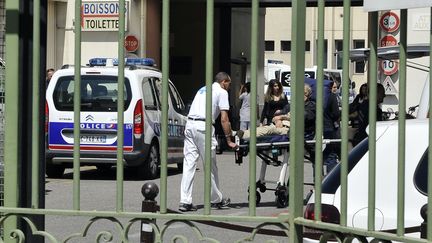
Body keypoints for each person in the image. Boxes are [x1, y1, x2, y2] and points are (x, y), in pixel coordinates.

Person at [179, 72, 236, 212]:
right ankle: (216, 199)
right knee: (210, 166)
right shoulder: (222, 92)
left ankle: (185, 201)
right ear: (224, 82)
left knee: (189, 164)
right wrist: (229, 139)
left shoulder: (203, 89)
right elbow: (224, 119)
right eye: (229, 83)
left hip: (190, 125)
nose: (229, 87)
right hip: (203, 127)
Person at [323, 81, 341, 173]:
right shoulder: (331, 96)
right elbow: (336, 113)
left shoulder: (318, 95)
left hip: (319, 127)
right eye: (333, 87)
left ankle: (317, 179)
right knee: (332, 153)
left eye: (336, 87)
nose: (335, 89)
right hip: (330, 127)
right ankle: (331, 177)